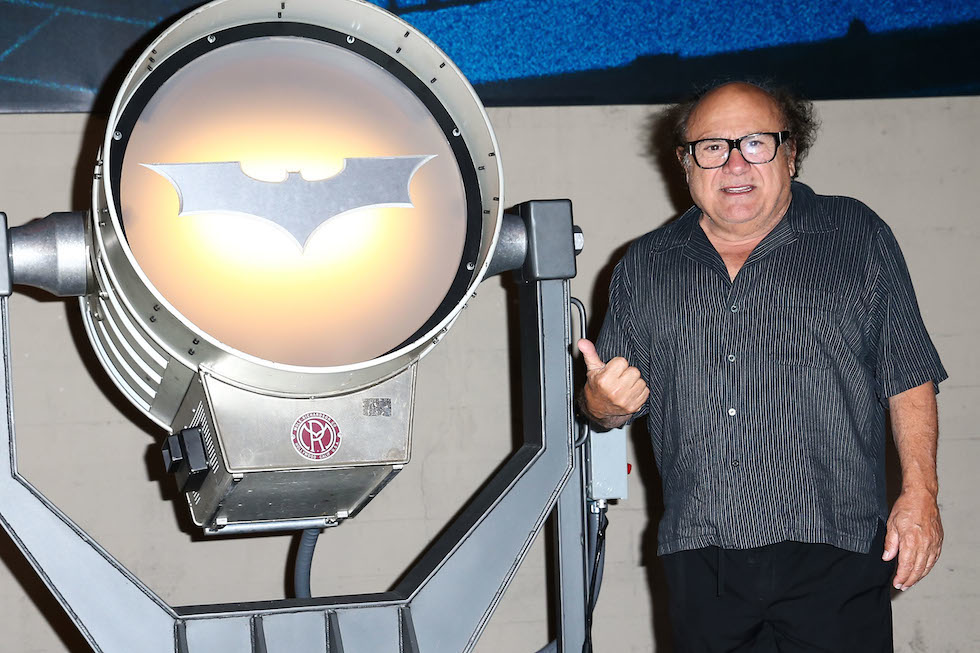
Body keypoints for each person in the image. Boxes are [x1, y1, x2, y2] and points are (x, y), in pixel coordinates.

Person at [578, 81, 946, 652]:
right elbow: (608, 406)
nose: (734, 164)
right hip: (703, 558)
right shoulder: (645, 265)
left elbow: (908, 372)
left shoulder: (855, 234)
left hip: (835, 547)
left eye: (755, 143)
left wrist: (920, 494)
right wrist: (599, 403)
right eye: (712, 147)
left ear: (790, 153)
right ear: (686, 163)